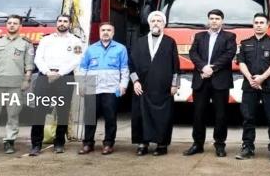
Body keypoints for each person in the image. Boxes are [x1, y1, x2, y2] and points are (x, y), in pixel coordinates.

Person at [184, 9, 237, 157]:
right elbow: (193, 53)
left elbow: (229, 54)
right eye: (212, 18)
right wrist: (203, 67)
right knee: (198, 114)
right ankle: (197, 144)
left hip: (220, 80)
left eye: (217, 18)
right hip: (201, 80)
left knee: (221, 115)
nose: (214, 21)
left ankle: (219, 145)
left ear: (222, 21)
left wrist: (212, 69)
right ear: (208, 20)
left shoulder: (229, 36)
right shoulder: (199, 36)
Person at [29, 14, 84, 156]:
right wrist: (47, 72)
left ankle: (59, 143)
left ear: (69, 24)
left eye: (65, 21)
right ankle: (36, 144)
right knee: (39, 111)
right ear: (56, 23)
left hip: (65, 77)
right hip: (45, 76)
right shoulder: (46, 39)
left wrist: (59, 73)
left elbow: (77, 59)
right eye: (60, 21)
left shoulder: (76, 41)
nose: (62, 23)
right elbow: (38, 58)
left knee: (63, 112)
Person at [0, 15, 34, 155]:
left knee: (13, 114)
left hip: (15, 85)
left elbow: (28, 65)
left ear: (20, 26)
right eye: (9, 23)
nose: (12, 25)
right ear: (6, 25)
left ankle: (9, 141)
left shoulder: (26, 44)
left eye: (15, 23)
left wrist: (26, 80)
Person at [129, 10, 180, 156]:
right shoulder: (139, 42)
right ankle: (142, 143)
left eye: (159, 21)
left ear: (164, 24)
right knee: (141, 115)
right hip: (142, 87)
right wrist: (135, 81)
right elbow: (131, 64)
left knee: (162, 117)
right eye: (153, 21)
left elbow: (176, 65)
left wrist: (175, 84)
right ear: (149, 24)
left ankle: (162, 144)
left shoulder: (170, 42)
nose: (156, 23)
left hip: (163, 88)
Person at [235, 13, 270, 163]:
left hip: (269, 86)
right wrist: (251, 78)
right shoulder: (245, 43)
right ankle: (247, 148)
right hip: (250, 86)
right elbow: (241, 62)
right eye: (256, 22)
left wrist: (262, 77)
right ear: (253, 24)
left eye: (262, 22)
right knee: (248, 118)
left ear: (267, 25)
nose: (258, 25)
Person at [78, 22, 129, 155]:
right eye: (103, 30)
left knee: (110, 118)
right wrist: (81, 85)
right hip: (92, 87)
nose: (106, 32)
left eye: (108, 30)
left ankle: (108, 144)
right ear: (99, 32)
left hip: (111, 89)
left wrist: (123, 84)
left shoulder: (121, 49)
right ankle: (88, 144)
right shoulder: (91, 49)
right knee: (90, 118)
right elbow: (83, 68)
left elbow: (124, 69)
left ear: (113, 33)